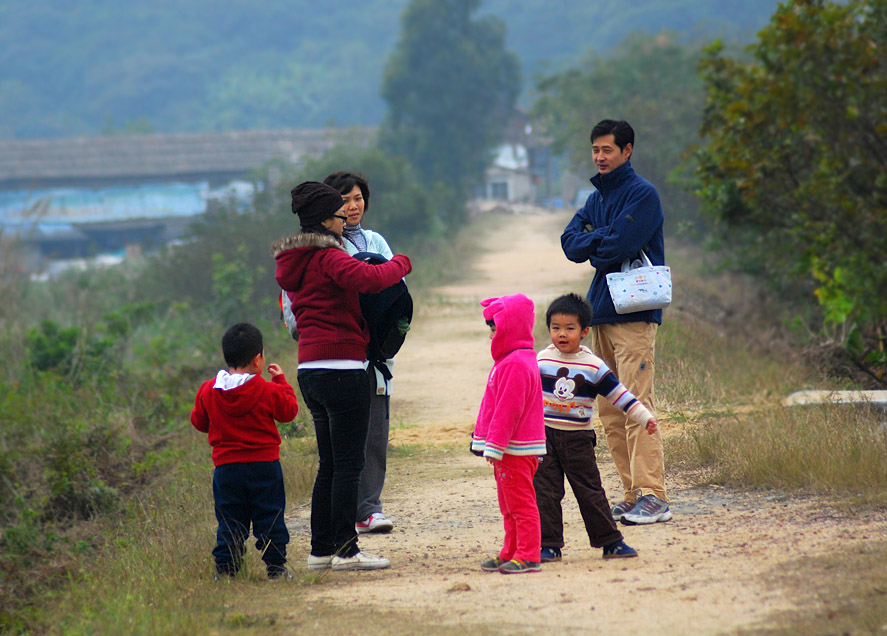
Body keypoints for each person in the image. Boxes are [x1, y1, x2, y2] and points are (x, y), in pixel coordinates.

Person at [272, 181, 411, 571]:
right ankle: (347, 552)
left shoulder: (295, 262)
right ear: (323, 220)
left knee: (330, 466)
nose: (344, 220)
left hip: (309, 371)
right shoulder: (329, 256)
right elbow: (370, 280)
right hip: (344, 368)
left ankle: (320, 553)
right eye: (338, 215)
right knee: (349, 466)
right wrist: (401, 262)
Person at [560, 119, 671, 525]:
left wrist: (597, 239)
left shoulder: (643, 195)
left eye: (607, 150)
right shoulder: (597, 196)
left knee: (637, 404)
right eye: (595, 150)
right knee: (609, 410)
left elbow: (619, 245)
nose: (600, 157)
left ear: (627, 151)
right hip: (601, 311)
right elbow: (570, 242)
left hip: (635, 314)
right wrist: (600, 238)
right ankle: (630, 493)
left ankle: (654, 495)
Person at [535, 294, 658, 562]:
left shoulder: (593, 365)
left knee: (590, 491)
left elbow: (619, 395)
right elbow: (525, 396)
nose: (562, 334)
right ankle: (549, 545)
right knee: (545, 492)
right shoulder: (541, 360)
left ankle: (611, 542)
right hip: (543, 438)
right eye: (556, 328)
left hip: (578, 440)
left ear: (585, 331)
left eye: (569, 328)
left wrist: (644, 417)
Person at [190, 322, 299, 581]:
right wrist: (281, 381)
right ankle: (276, 570)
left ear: (227, 356)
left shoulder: (208, 390)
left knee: (230, 520)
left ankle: (226, 572)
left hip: (226, 469)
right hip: (265, 467)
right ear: (258, 359)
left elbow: (199, 422)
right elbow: (289, 411)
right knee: (270, 517)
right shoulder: (267, 389)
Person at [322, 171, 395, 535]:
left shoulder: (376, 241)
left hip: (374, 355)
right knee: (341, 439)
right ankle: (343, 513)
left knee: (375, 434)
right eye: (343, 200)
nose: (352, 206)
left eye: (357, 198)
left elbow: (395, 289)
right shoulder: (320, 247)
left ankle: (369, 508)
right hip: (338, 353)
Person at [471, 294, 546, 574]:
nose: (491, 335)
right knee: (509, 505)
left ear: (509, 327)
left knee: (521, 504)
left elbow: (508, 411)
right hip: (510, 449)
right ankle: (511, 551)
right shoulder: (512, 359)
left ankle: (528, 554)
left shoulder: (515, 363)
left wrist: (495, 446)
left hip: (515, 449)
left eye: (494, 329)